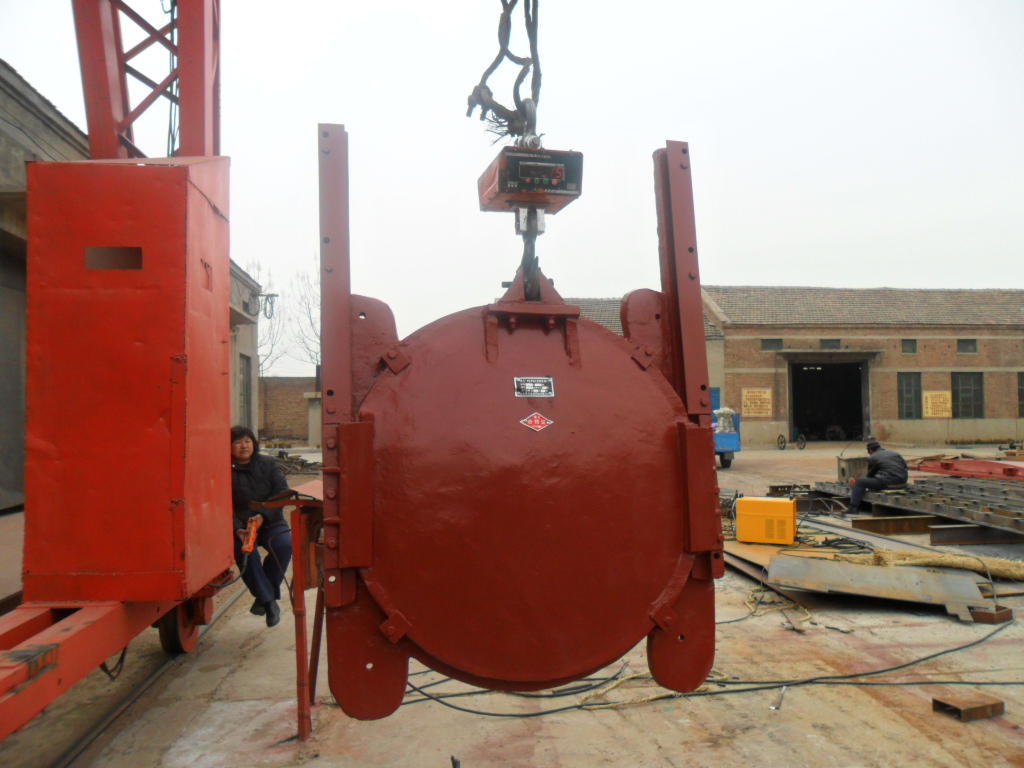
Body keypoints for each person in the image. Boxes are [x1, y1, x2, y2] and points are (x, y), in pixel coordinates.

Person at [231, 425, 292, 627]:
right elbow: (221, 503)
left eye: (247, 441)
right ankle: (269, 603)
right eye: (238, 442)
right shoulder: (224, 469)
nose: (244, 446)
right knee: (247, 554)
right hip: (243, 527)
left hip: (270, 520)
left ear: (254, 444)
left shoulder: (268, 463)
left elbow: (282, 492)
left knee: (284, 544)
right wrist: (237, 528)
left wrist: (263, 516)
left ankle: (264, 597)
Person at [849, 439, 908, 511]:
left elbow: (870, 475)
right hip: (903, 482)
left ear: (871, 450)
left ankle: (852, 508)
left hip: (888, 483)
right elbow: (905, 467)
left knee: (860, 482)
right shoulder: (895, 453)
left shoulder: (872, 457)